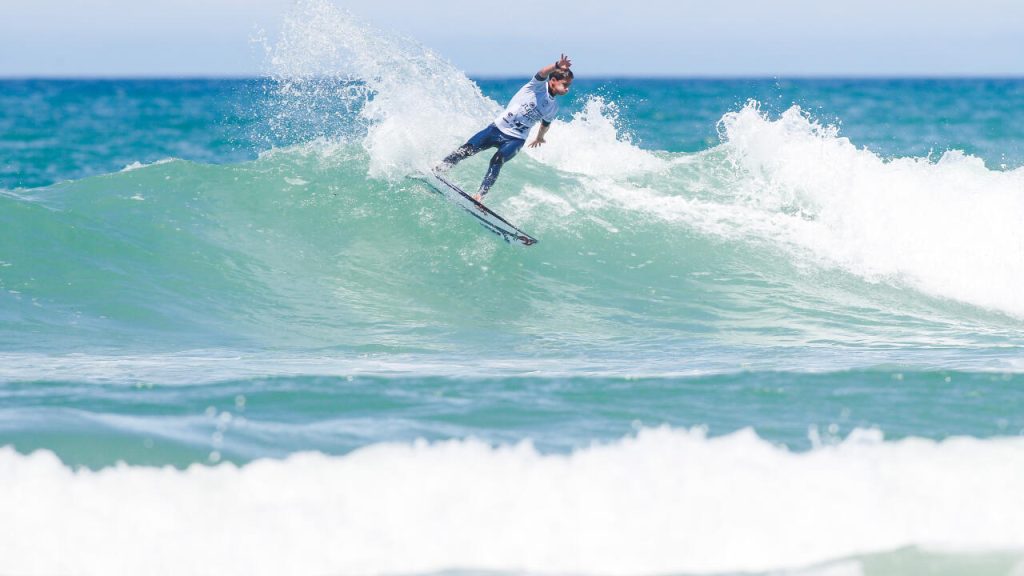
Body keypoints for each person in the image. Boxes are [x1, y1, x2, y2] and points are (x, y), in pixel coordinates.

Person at [434, 54, 574, 202]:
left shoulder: (553, 107)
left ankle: (479, 196)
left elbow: (545, 124)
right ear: (553, 81)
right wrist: (557, 65)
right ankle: (439, 169)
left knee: (497, 160)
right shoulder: (536, 87)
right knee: (466, 149)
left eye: (568, 86)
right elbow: (542, 72)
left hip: (516, 139)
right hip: (496, 129)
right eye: (565, 85)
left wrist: (540, 137)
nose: (567, 89)